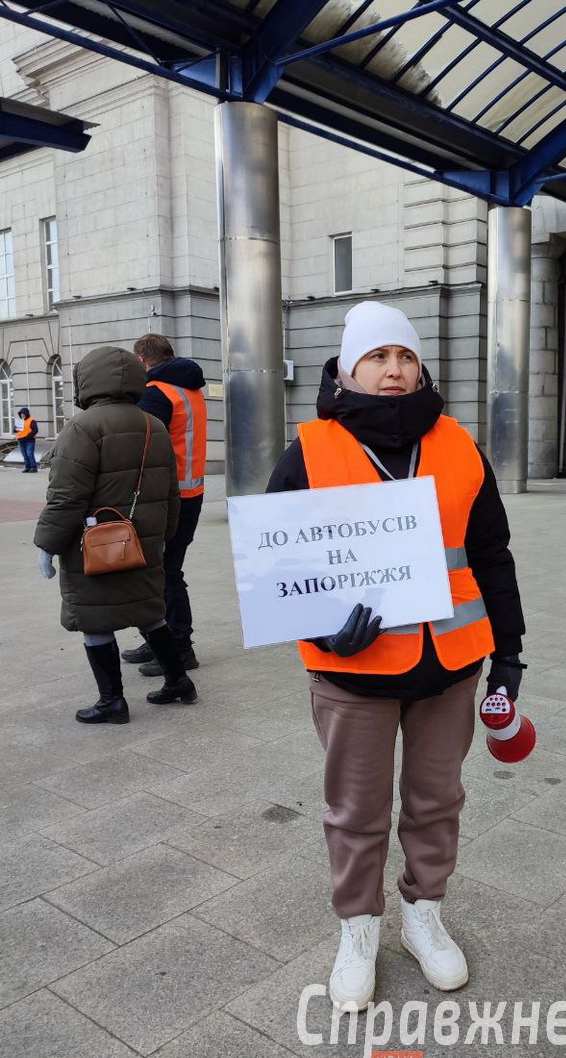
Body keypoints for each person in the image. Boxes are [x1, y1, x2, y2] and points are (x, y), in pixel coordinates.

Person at [267, 300, 526, 1012]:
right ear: (349, 367)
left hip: (450, 663)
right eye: (377, 356)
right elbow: (279, 567)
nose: (392, 368)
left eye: (404, 356)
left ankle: (422, 912)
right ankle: (358, 925)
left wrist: (510, 653)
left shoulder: (458, 444)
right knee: (355, 809)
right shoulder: (310, 449)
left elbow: (489, 553)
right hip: (352, 670)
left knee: (437, 799)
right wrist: (322, 631)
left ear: (420, 368)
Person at [34, 346, 197, 723]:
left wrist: (47, 543)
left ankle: (112, 702)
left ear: (87, 381)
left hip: (96, 543)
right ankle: (179, 682)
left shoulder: (83, 427)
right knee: (150, 611)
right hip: (143, 542)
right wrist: (163, 535)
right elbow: (171, 490)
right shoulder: (151, 424)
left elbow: (67, 496)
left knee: (95, 619)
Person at [121, 333, 206, 676]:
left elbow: (139, 446)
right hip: (191, 494)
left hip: (168, 498)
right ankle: (161, 640)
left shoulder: (158, 392)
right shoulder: (190, 388)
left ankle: (180, 648)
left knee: (164, 574)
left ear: (142, 360)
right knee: (164, 573)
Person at [15, 406, 38, 472]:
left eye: (23, 414)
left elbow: (35, 430)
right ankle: (27, 467)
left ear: (26, 414)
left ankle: (33, 467)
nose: (22, 415)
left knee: (29, 453)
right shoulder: (20, 421)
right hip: (21, 440)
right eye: (21, 414)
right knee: (24, 455)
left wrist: (28, 436)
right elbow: (16, 430)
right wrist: (15, 429)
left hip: (29, 440)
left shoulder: (31, 420)